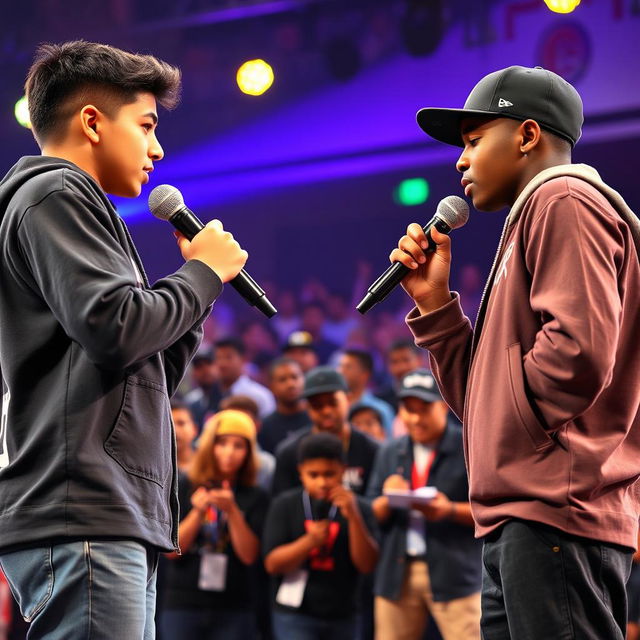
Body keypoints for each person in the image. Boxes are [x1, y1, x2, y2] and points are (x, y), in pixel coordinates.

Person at [0, 41, 248, 639]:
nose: (157, 148)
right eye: (145, 126)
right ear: (92, 121)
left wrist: (198, 289)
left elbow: (144, 362)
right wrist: (201, 274)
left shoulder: (74, 206)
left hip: (106, 509)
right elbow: (115, 328)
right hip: (83, 504)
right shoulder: (56, 193)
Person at [392, 65, 640, 638]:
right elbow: (480, 401)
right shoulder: (538, 212)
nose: (460, 160)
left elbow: (579, 352)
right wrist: (436, 309)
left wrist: (519, 430)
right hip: (527, 512)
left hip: (556, 510)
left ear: (527, 136)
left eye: (475, 141)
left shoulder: (564, 197)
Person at [367, 369, 482, 640]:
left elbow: (490, 511)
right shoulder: (390, 451)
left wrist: (449, 510)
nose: (416, 418)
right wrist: (386, 498)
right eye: (409, 410)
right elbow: (369, 512)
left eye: (424, 409)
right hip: (397, 573)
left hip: (455, 573)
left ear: (443, 406)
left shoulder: (468, 446)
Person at [161, 410, 269, 640]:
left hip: (235, 604)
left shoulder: (255, 495)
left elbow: (250, 555)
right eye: (222, 443)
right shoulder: (184, 484)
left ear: (249, 452)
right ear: (210, 445)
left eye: (238, 446)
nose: (229, 452)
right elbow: (171, 550)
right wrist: (198, 512)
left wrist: (232, 511)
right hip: (183, 601)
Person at [263, 432, 379, 640]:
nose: (322, 483)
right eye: (313, 475)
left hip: (344, 613)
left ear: (343, 471)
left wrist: (354, 517)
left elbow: (367, 565)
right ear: (300, 472)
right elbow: (272, 564)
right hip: (294, 613)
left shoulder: (359, 507)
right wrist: (309, 542)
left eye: (329, 474)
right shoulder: (285, 505)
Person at [271, 367, 379, 497]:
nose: (326, 411)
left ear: (348, 400)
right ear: (307, 408)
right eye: (317, 405)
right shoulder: (288, 453)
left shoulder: (373, 450)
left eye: (333, 403)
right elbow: (282, 507)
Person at [258, 358, 311, 455]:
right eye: (282, 380)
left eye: (295, 377)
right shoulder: (265, 427)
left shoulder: (315, 417)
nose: (291, 384)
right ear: (272, 387)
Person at [214, 338, 276, 419]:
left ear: (243, 359)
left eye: (228, 357)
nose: (222, 363)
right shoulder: (209, 395)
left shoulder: (260, 396)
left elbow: (269, 428)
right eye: (218, 358)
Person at [184, 344, 222, 432]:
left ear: (218, 366)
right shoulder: (191, 402)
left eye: (209, 363)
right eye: (199, 366)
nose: (205, 369)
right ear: (193, 373)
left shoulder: (230, 397)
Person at [172, 399, 199, 473]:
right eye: (169, 425)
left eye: (181, 423)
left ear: (194, 429)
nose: (175, 430)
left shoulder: (208, 462)